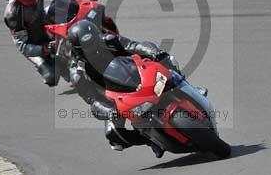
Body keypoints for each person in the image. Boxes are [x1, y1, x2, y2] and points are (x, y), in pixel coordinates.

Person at [66, 19, 206, 157]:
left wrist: (154, 52)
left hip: (135, 73)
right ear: (78, 50)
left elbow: (134, 46)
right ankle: (151, 140)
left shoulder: (109, 40)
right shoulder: (78, 73)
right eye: (88, 48)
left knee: (165, 60)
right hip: (114, 98)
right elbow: (93, 100)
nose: (94, 49)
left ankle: (188, 88)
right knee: (113, 134)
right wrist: (110, 111)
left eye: (95, 43)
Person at [3, 0, 99, 87]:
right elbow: (22, 46)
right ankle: (54, 65)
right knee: (51, 77)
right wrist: (45, 49)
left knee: (63, 6)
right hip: (32, 43)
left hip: (44, 25)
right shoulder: (13, 13)